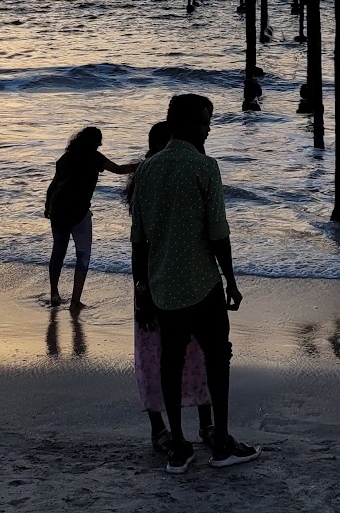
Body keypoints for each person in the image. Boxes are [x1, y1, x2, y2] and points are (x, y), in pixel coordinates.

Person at [130, 93, 259, 473]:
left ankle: (179, 447)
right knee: (217, 362)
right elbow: (218, 233)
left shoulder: (147, 171)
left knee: (171, 364)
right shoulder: (205, 167)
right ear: (187, 124)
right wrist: (231, 280)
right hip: (203, 285)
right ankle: (220, 442)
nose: (208, 129)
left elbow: (139, 240)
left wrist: (142, 288)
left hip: (163, 288)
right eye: (205, 122)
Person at [126, 121, 214, 453]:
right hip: (158, 283)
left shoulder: (182, 175)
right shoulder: (149, 183)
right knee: (161, 356)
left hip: (175, 282)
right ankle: (166, 428)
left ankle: (189, 425)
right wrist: (142, 290)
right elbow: (140, 244)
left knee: (185, 354)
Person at [44, 126, 136, 311]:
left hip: (57, 209)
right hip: (78, 212)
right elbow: (118, 170)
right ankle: (75, 302)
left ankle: (54, 294)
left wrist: (47, 207)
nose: (100, 145)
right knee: (83, 255)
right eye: (98, 142)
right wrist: (143, 164)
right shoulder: (95, 157)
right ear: (95, 142)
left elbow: (52, 186)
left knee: (58, 252)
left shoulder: (65, 158)